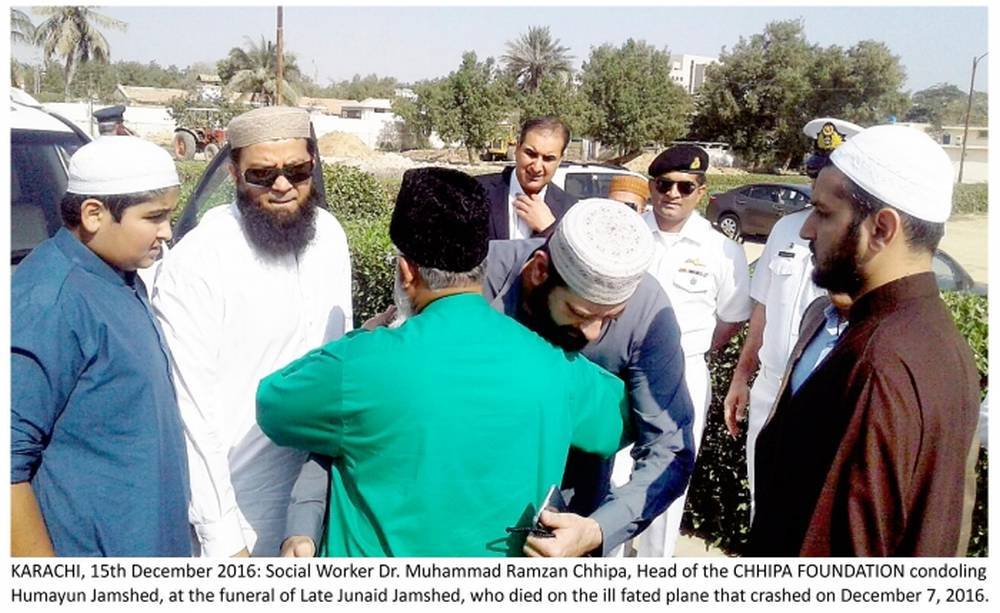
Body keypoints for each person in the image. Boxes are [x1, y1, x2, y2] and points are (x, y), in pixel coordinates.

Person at [283, 198, 695, 558]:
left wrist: (598, 529)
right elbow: (357, 408)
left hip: (559, 539)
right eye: (580, 313)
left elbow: (670, 448)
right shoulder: (462, 281)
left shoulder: (646, 312)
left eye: (611, 319)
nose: (592, 334)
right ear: (539, 271)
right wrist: (305, 519)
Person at [748, 125, 980, 556]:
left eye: (823, 213)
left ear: (881, 229)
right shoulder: (935, 339)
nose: (806, 231)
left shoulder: (877, 364)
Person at [152, 106, 353, 557]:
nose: (282, 185)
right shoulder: (199, 260)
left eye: (297, 171)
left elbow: (339, 370)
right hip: (239, 512)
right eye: (262, 175)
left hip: (320, 505)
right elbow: (189, 414)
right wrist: (224, 540)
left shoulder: (330, 237)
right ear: (234, 172)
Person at [11, 136, 190, 556]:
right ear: (94, 214)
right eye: (154, 217)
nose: (166, 232)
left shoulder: (116, 274)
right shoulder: (50, 301)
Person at [722, 118, 860, 514]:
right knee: (760, 505)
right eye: (815, 175)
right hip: (770, 387)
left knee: (805, 512)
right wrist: (741, 376)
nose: (817, 185)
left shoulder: (855, 240)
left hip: (819, 394)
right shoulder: (786, 228)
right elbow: (763, 308)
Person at [621, 144, 751, 557]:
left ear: (701, 192)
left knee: (667, 478)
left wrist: (689, 352)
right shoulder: (625, 234)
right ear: (651, 187)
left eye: (684, 186)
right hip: (618, 370)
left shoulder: (721, 250)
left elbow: (731, 318)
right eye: (663, 185)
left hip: (683, 373)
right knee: (612, 476)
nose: (672, 194)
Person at [477, 116, 577, 240]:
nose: (536, 167)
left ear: (560, 160)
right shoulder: (475, 191)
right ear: (517, 149)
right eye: (530, 154)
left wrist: (549, 229)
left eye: (548, 159)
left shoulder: (570, 211)